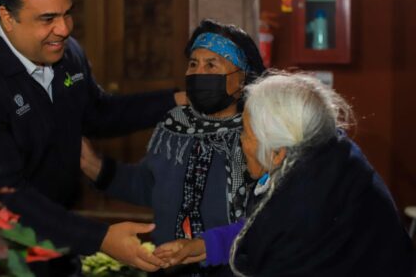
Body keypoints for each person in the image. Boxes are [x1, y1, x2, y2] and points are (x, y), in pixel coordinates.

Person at [0, 0, 186, 275]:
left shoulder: (67, 54)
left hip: (59, 242)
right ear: (7, 17)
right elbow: (4, 195)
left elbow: (98, 114)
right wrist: (101, 237)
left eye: (67, 12)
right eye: (47, 19)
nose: (64, 28)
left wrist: (175, 101)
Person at [154, 73, 416, 276]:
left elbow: (278, 234)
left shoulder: (304, 205)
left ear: (277, 152)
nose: (240, 142)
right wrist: (205, 246)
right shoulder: (327, 154)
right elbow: (265, 229)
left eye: (246, 133)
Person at [80, 19, 266, 276]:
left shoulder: (259, 135)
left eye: (211, 64)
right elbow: (149, 186)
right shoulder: (173, 127)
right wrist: (94, 166)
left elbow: (272, 219)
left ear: (242, 78)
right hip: (169, 268)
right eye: (193, 64)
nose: (199, 72)